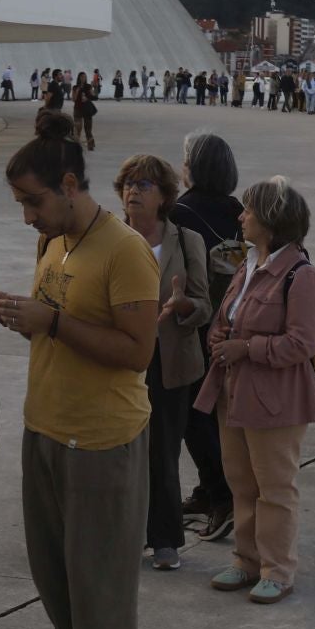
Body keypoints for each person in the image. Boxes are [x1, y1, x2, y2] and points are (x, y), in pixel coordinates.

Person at [0, 113, 157, 629]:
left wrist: (50, 322)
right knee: (54, 574)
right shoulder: (52, 244)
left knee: (99, 580)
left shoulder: (126, 250)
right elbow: (56, 320)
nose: (28, 216)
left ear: (69, 183)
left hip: (102, 439)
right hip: (46, 427)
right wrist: (23, 317)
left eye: (34, 201)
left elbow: (137, 351)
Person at [197, 177, 315, 604]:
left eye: (248, 210)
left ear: (270, 220)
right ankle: (246, 560)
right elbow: (225, 316)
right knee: (241, 483)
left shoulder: (301, 275)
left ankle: (277, 569)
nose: (240, 216)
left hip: (275, 400)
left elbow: (302, 343)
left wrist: (245, 348)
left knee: (275, 486)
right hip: (233, 393)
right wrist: (219, 338)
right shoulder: (248, 265)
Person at [115, 153, 212, 571]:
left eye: (144, 185)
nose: (133, 191)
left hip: (169, 362)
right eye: (128, 185)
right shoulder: (111, 240)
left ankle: (166, 539)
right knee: (119, 454)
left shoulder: (187, 241)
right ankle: (124, 537)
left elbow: (206, 305)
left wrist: (185, 304)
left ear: (165, 196)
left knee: (163, 454)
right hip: (120, 361)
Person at [168, 131, 243, 542]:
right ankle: (207, 486)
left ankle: (220, 494)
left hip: (192, 322)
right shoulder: (238, 210)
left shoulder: (179, 212)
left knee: (193, 415)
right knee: (216, 413)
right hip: (231, 323)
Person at [71, 71, 98, 150]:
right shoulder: (75, 87)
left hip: (87, 109)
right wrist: (77, 91)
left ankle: (90, 145)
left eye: (85, 77)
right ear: (79, 78)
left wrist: (95, 88)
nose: (83, 78)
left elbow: (95, 97)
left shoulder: (88, 86)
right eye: (82, 77)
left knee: (88, 128)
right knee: (77, 128)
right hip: (78, 109)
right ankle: (76, 144)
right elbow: (73, 99)